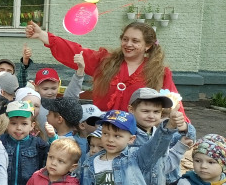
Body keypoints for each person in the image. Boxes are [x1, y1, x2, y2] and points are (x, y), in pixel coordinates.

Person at [25, 20, 185, 114]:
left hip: (136, 137)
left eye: (135, 41)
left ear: (148, 46)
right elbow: (74, 51)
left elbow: (175, 102)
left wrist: (185, 130)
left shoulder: (159, 72)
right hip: (102, 132)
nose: (128, 44)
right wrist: (42, 35)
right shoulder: (105, 61)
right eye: (125, 39)